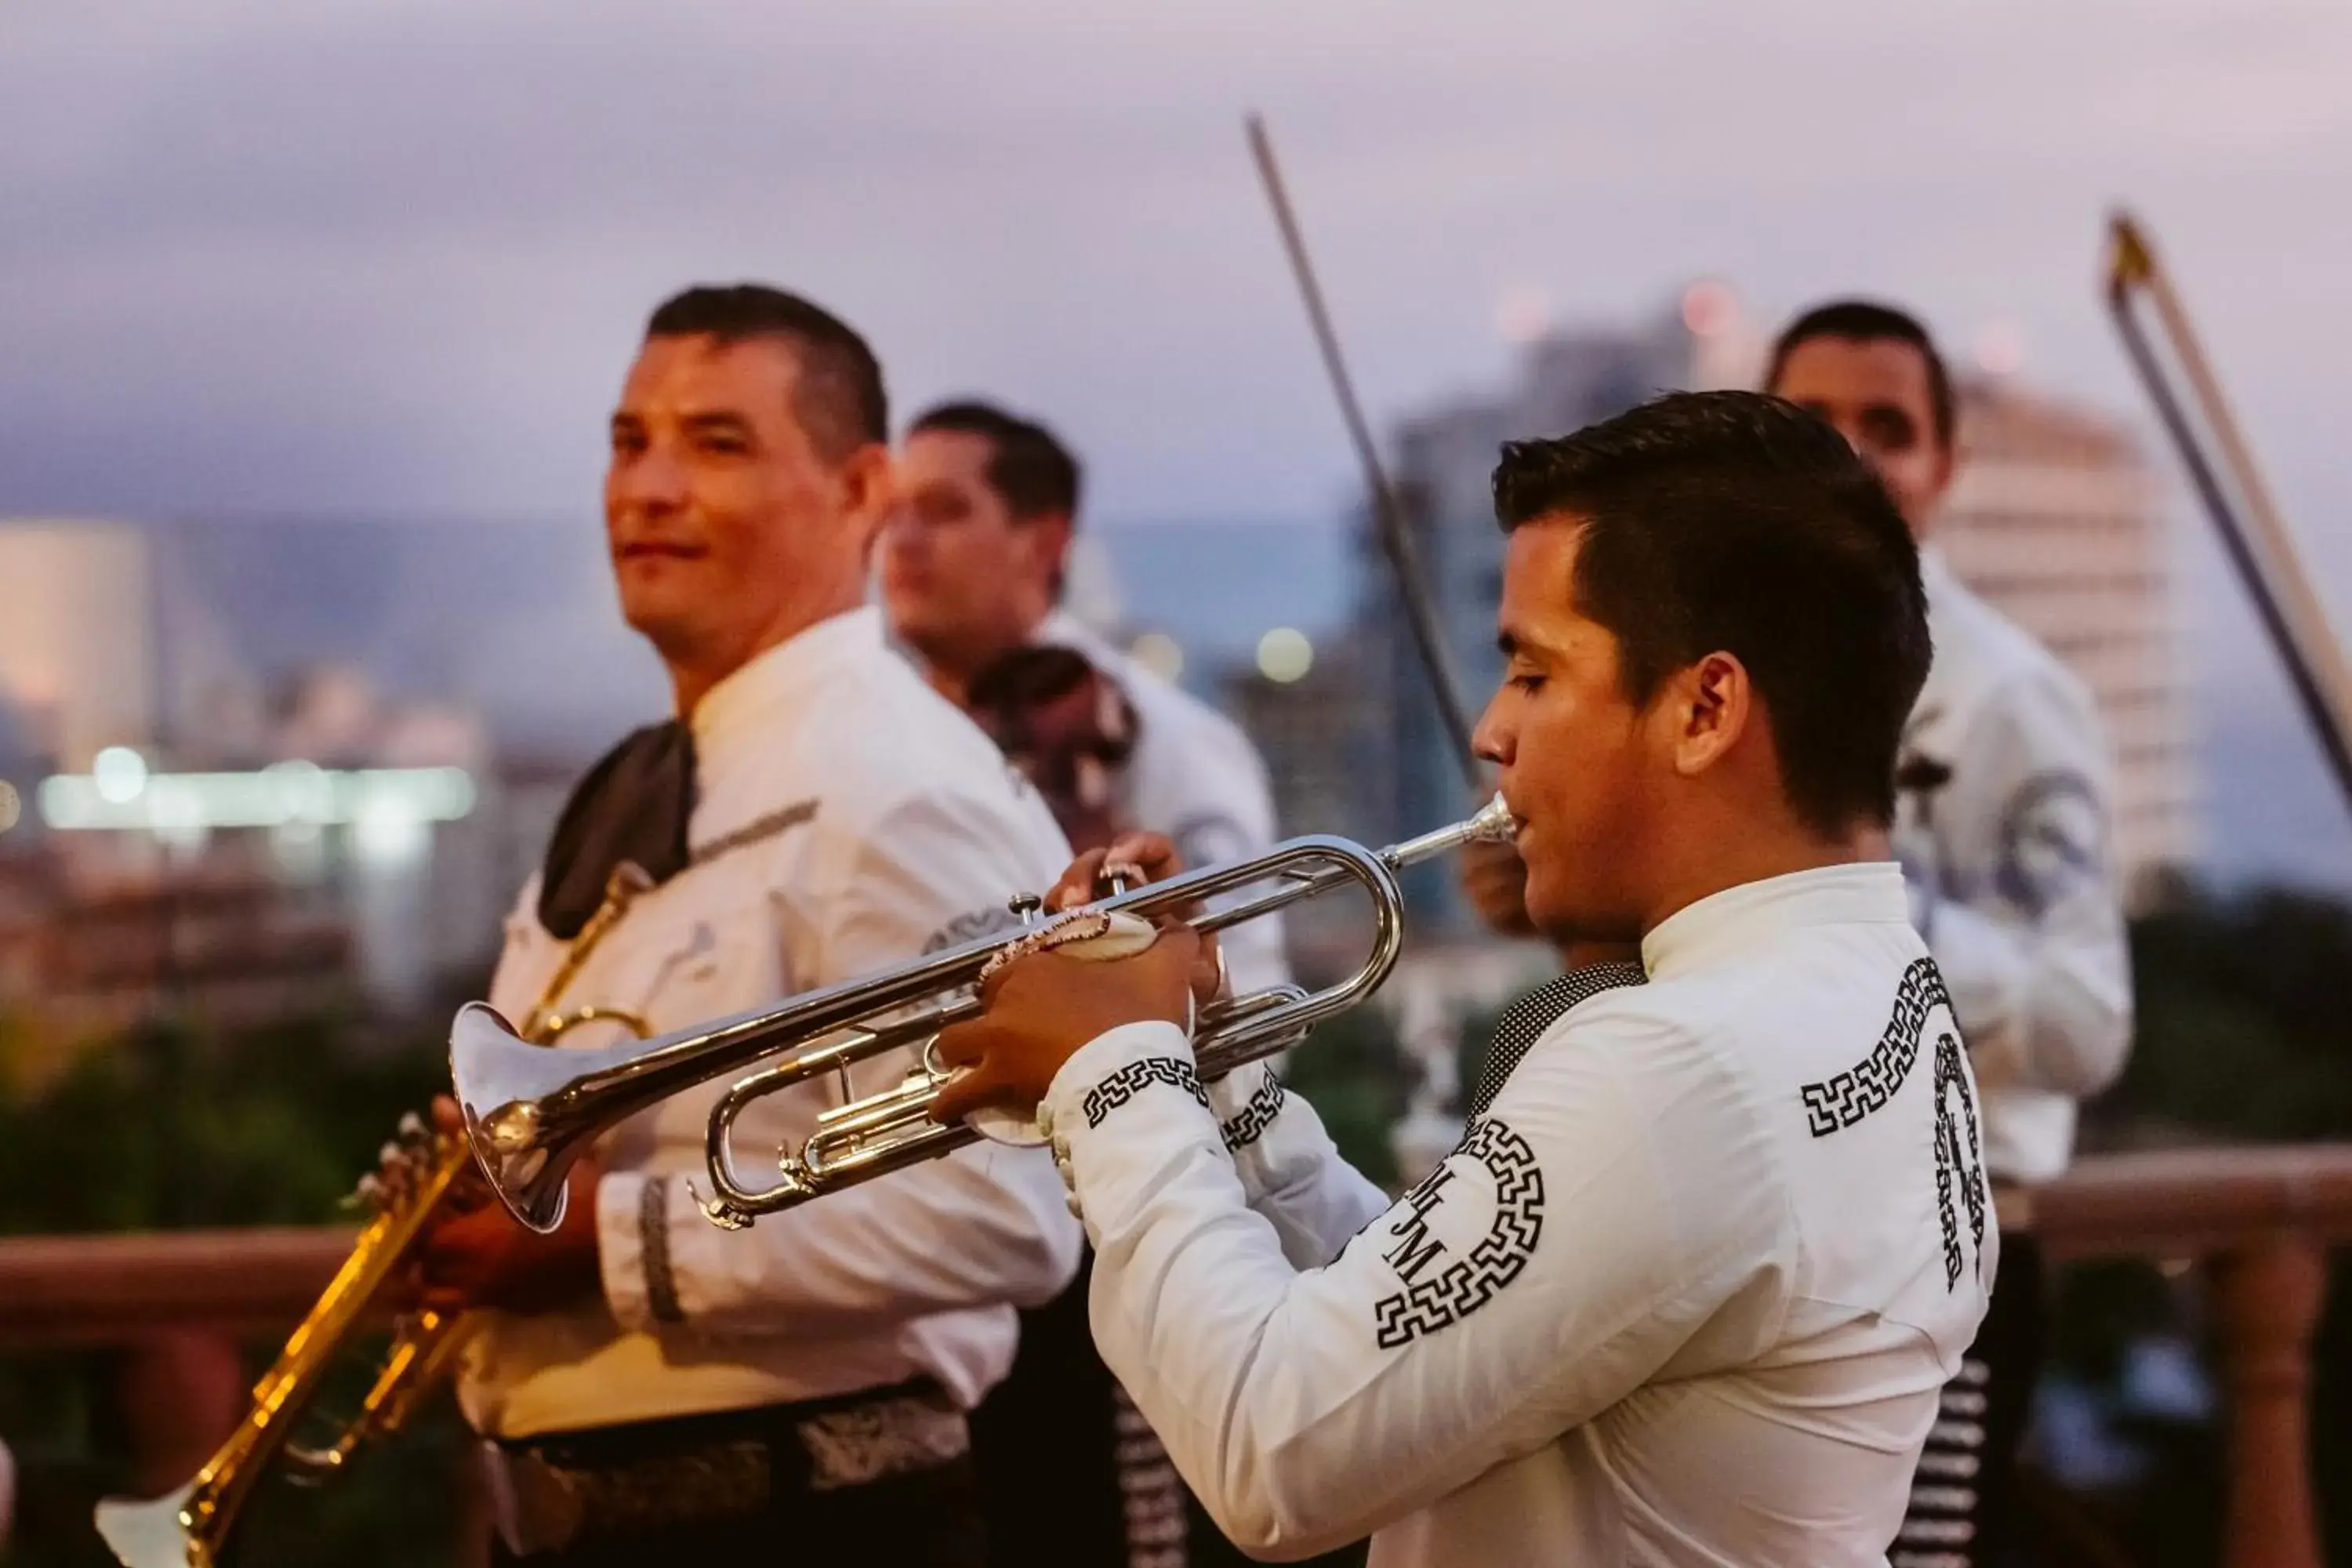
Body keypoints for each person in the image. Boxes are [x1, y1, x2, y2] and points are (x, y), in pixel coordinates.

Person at [931, 390, 1996, 1564]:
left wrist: (1113, 1072)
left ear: (1703, 708)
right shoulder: (1871, 985)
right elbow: (1441, 1317)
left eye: (1536, 674)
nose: (1492, 731)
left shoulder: (1684, 1060)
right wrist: (1211, 1067)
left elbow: (1273, 1448)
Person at [409, 285, 1082, 1567]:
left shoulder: (901, 785)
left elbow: (1014, 1212)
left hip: (804, 1525)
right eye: (627, 442)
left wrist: (603, 1240)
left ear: (859, 489)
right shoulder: (656, 775)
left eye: (718, 445)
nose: (648, 488)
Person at [883, 400, 1292, 1567]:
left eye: (946, 511)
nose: (903, 542)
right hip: (939, 1262)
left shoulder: (1166, 739)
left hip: (1104, 1241)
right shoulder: (890, 742)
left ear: (1046, 539)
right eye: (895, 512)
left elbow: (1242, 997)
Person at [1767, 299, 2132, 1566]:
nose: (1852, 455)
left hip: (1947, 1256)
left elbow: (2088, 1024)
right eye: (1810, 423)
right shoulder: (1712, 673)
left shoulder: (2015, 698)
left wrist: (1874, 905)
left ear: (1945, 466)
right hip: (1750, 1240)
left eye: (1889, 427)